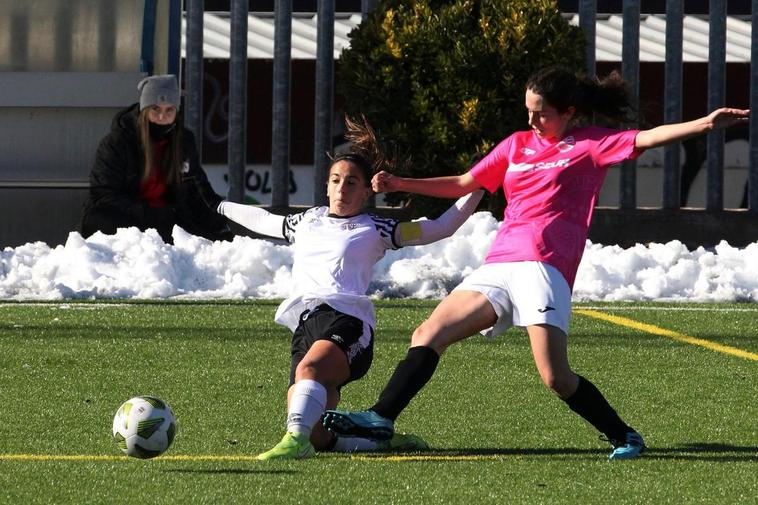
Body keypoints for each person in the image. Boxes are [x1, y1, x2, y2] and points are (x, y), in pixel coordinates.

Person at [322, 66, 750, 460]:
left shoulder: (591, 144)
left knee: (556, 377)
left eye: (541, 113)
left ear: (569, 112)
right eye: (528, 111)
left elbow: (647, 138)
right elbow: (465, 182)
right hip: (500, 263)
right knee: (429, 332)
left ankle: (624, 435)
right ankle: (382, 416)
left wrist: (706, 124)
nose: (531, 121)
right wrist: (400, 183)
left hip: (544, 267)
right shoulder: (516, 145)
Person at [216, 117, 484, 460]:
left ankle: (292, 442)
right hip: (306, 324)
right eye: (336, 180)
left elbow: (440, 228)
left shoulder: (378, 228)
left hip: (348, 321)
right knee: (318, 433)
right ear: (326, 186)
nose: (342, 188)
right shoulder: (306, 220)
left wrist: (480, 185)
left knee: (308, 373)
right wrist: (218, 205)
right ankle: (375, 443)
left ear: (366, 191)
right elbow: (265, 221)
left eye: (352, 182)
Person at [80, 74, 231, 244]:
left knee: (207, 233)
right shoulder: (117, 142)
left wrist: (219, 219)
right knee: (101, 219)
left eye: (169, 110)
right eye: (155, 109)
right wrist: (151, 213)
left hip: (168, 216)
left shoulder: (184, 141)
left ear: (177, 111)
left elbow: (197, 187)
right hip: (128, 217)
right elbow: (104, 193)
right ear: (144, 110)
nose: (162, 116)